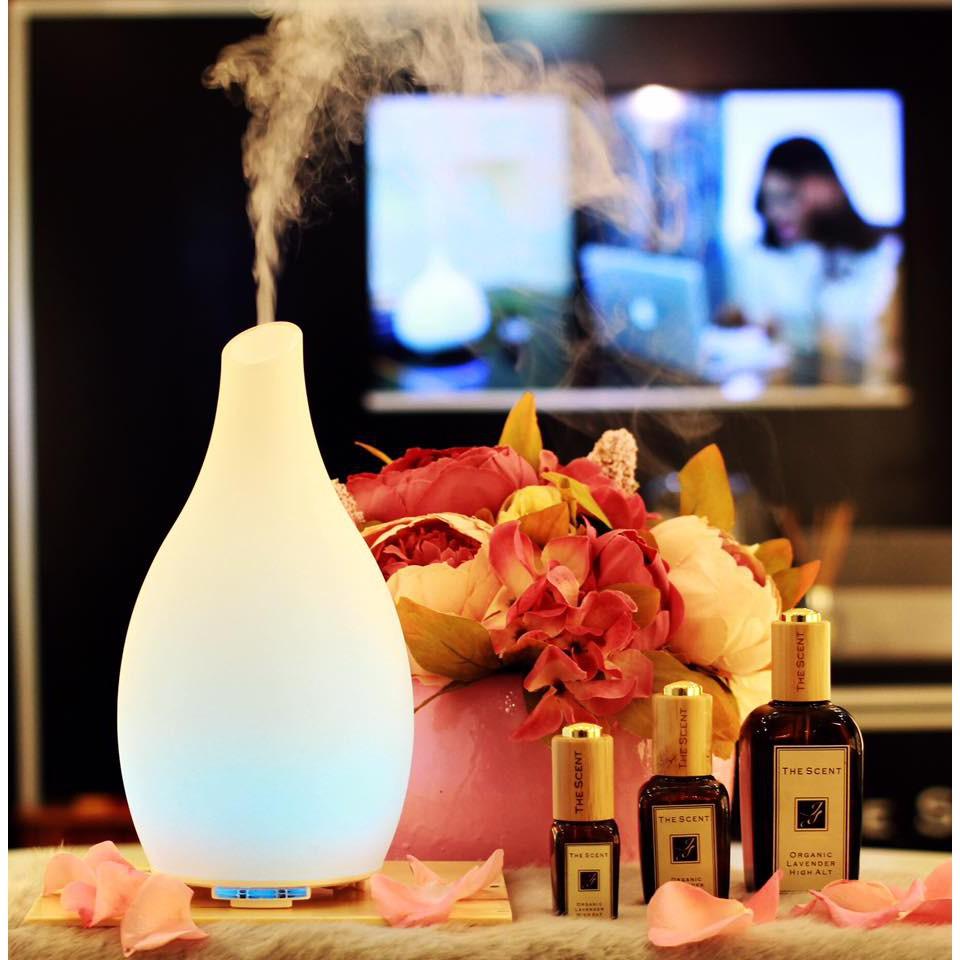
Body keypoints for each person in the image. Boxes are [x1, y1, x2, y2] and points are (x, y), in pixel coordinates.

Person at [727, 137, 902, 385]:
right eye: (769, 200)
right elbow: (758, 330)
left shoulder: (881, 256)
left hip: (863, 388)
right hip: (787, 390)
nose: (777, 212)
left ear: (827, 189)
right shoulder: (757, 258)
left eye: (788, 197)